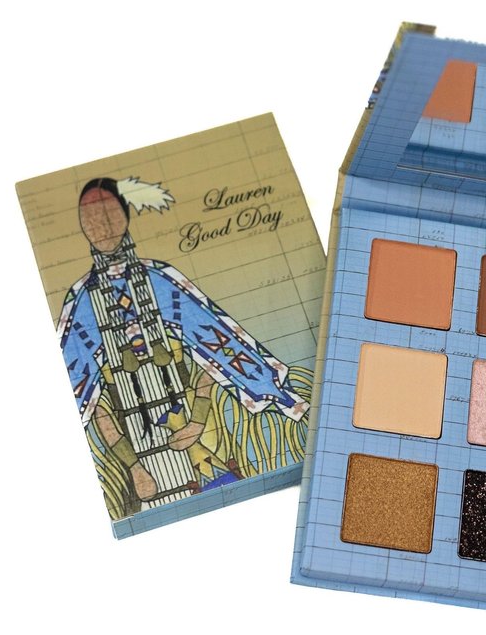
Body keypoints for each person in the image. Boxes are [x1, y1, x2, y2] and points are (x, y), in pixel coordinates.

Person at [58, 177, 312, 519]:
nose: (102, 226)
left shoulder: (160, 278)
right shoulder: (81, 303)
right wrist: (133, 467)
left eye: (110, 214)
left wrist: (197, 422)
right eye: (90, 219)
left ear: (126, 215)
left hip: (198, 429)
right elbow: (87, 398)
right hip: (137, 445)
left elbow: (216, 347)